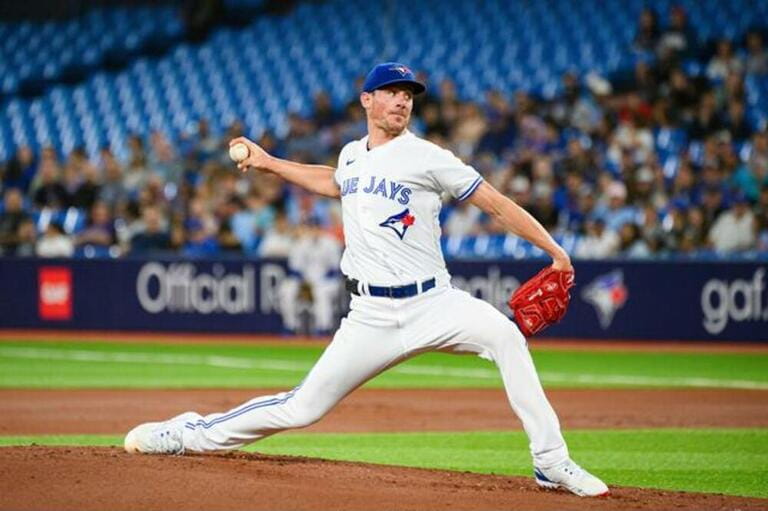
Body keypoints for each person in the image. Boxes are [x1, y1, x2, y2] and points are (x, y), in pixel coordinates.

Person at [124, 62, 609, 497]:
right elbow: (333, 180)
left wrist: (554, 250)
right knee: (302, 409)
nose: (402, 100)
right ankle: (188, 433)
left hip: (434, 304)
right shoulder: (353, 155)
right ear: (367, 100)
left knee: (506, 337)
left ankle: (551, 462)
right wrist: (269, 162)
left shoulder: (429, 156)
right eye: (392, 91)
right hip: (370, 316)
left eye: (409, 94)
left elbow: (496, 204)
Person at [279, 217, 343, 335]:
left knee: (320, 292)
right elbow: (295, 269)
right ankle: (290, 326)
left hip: (326, 281)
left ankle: (323, 328)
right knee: (286, 289)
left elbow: (334, 269)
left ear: (321, 228)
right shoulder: (301, 243)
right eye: (312, 227)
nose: (314, 230)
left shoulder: (331, 242)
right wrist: (305, 282)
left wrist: (316, 282)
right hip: (304, 281)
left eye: (316, 227)